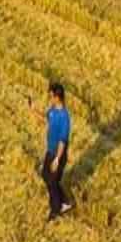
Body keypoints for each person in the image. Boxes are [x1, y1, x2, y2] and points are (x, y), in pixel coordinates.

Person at [33, 82, 73, 222]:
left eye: (51, 96)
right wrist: (33, 110)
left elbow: (63, 140)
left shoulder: (64, 118)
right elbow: (46, 118)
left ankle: (55, 211)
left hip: (57, 154)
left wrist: (57, 158)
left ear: (57, 97)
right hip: (50, 151)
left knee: (52, 181)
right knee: (46, 176)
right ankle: (65, 201)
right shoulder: (53, 111)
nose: (49, 98)